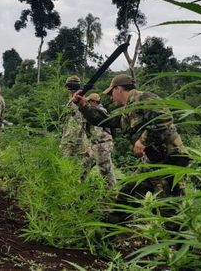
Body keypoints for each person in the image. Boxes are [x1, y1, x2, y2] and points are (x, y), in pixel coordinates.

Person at [72, 74, 189, 220]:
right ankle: (108, 235)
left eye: (111, 93)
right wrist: (83, 105)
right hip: (152, 163)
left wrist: (143, 141)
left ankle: (179, 240)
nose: (110, 97)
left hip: (170, 162)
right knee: (127, 194)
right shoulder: (127, 112)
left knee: (170, 211)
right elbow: (103, 120)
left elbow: (163, 118)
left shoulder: (144, 97)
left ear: (119, 89)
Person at [81, 93, 117, 187]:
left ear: (94, 102)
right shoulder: (96, 112)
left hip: (101, 145)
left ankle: (112, 193)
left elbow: (97, 133)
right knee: (83, 167)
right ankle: (77, 188)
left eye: (89, 101)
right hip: (95, 144)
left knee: (105, 171)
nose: (88, 103)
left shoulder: (98, 112)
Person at [60, 76, 91, 159]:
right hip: (81, 137)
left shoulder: (78, 100)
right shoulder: (82, 99)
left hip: (72, 136)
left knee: (65, 161)